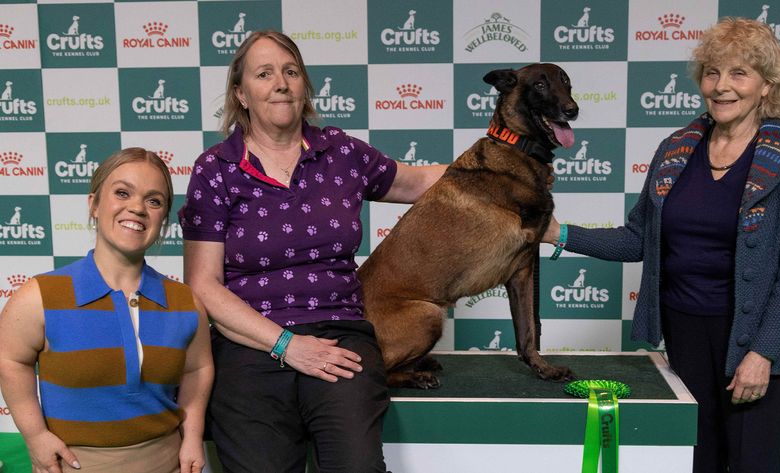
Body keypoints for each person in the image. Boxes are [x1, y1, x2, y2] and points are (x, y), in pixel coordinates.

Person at [543, 18, 780, 473]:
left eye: (739, 74)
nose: (721, 86)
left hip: (755, 336)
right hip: (686, 332)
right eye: (712, 73)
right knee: (696, 460)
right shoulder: (676, 148)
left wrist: (762, 353)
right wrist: (561, 234)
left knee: (754, 462)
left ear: (767, 87)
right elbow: (639, 238)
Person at [178, 31, 449, 473]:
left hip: (339, 336)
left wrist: (502, 163)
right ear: (241, 94)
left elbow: (419, 181)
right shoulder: (216, 168)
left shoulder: (340, 151)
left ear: (304, 85)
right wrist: (287, 345)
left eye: (291, 71)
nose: (281, 83)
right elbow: (203, 285)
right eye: (264, 74)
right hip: (250, 342)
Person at [0, 148, 214, 473]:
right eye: (122, 193)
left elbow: (197, 370)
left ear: (163, 220)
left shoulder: (186, 302)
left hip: (168, 463)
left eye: (154, 201)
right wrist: (35, 435)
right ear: (94, 204)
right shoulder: (40, 296)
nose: (138, 208)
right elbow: (10, 360)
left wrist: (192, 436)